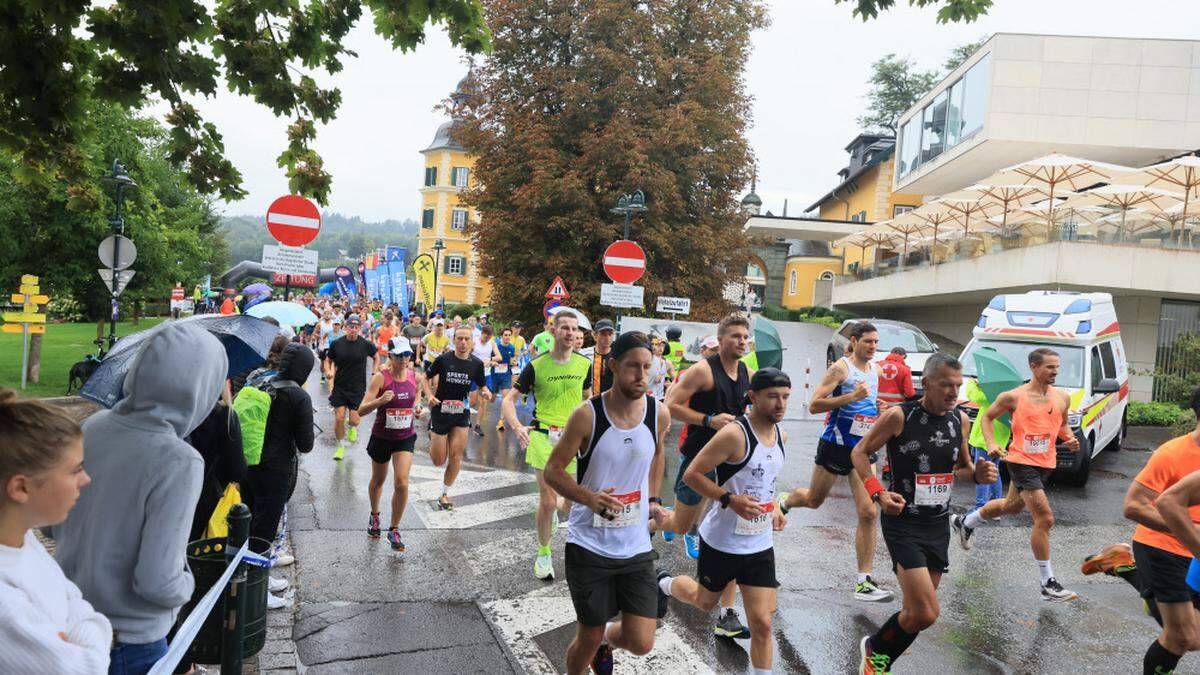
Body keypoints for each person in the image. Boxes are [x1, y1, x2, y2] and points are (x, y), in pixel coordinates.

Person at [55, 322, 226, 674]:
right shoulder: (178, 460)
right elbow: (157, 581)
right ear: (202, 388)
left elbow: (54, 523)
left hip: (71, 620)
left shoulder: (94, 426)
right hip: (131, 641)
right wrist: (189, 584)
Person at [853, 353, 997, 674]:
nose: (953, 392)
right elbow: (860, 452)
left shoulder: (959, 419)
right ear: (926, 383)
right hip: (903, 521)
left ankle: (878, 655)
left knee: (916, 614)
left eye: (958, 386)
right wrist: (878, 493)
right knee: (928, 612)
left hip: (937, 524)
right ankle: (876, 647)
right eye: (946, 385)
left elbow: (961, 468)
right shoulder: (898, 416)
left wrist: (978, 474)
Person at [544, 332, 670, 675]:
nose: (641, 376)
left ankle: (606, 643)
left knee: (642, 641)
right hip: (590, 544)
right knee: (589, 634)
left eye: (647, 367)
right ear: (613, 365)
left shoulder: (659, 413)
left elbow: (657, 454)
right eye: (633, 367)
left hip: (635, 545)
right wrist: (589, 498)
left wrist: (654, 500)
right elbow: (553, 472)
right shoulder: (587, 416)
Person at [658, 368, 793, 675]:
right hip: (722, 541)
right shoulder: (734, 434)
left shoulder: (781, 436)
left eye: (785, 397)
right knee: (705, 602)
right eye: (772, 397)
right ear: (753, 397)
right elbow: (692, 475)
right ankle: (663, 583)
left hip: (759, 544)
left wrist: (774, 508)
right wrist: (729, 499)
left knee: (761, 622)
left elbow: (766, 480)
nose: (780, 404)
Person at [776, 321, 893, 602]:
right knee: (815, 500)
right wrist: (851, 396)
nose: (873, 347)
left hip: (863, 449)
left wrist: (881, 409)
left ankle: (864, 581)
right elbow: (815, 404)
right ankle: (786, 501)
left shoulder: (876, 371)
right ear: (854, 341)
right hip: (836, 444)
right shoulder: (840, 368)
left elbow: (869, 404)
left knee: (868, 512)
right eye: (868, 342)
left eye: (877, 342)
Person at [951, 347, 1081, 601]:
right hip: (1021, 461)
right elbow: (987, 418)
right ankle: (1047, 582)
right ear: (1033, 367)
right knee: (1045, 519)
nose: (1055, 372)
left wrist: (1070, 437)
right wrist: (990, 444)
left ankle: (964, 522)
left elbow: (1062, 423)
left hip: (1046, 462)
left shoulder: (1062, 397)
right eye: (1050, 367)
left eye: (1057, 367)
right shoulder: (1013, 397)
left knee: (1011, 507)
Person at [0, 390, 113, 674]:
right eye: (75, 470)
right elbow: (87, 668)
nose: (85, 479)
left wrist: (69, 632)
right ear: (21, 488)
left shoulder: (23, 538)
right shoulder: (5, 603)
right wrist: (86, 632)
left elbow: (73, 599)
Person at [660, 314, 754, 638]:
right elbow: (670, 405)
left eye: (745, 336)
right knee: (680, 524)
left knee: (732, 534)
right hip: (698, 463)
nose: (742, 341)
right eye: (735, 336)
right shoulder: (703, 370)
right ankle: (648, 523)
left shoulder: (746, 373)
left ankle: (727, 613)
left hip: (731, 465)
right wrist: (709, 420)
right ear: (721, 338)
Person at [503, 311, 593, 580]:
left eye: (574, 328)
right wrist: (518, 426)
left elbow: (588, 399)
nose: (570, 333)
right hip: (543, 436)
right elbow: (509, 400)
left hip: (574, 439)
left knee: (571, 502)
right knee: (548, 500)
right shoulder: (537, 365)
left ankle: (555, 517)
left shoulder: (583, 364)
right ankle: (544, 553)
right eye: (564, 327)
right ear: (553, 331)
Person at [244, 343, 314, 609]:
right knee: (264, 530)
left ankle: (262, 576)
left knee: (252, 524)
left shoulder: (263, 383)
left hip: (251, 462)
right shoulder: (298, 396)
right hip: (276, 470)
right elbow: (306, 444)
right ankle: (257, 592)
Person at [358, 340, 425, 554]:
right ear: (390, 356)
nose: (404, 359)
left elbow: (417, 398)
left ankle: (394, 529)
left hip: (405, 437)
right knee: (378, 480)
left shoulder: (416, 377)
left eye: (407, 355)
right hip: (382, 437)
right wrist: (379, 401)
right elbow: (360, 410)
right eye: (399, 355)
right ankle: (375, 515)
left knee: (402, 483)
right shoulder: (380, 378)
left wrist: (418, 408)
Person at [424, 326, 493, 510]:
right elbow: (424, 377)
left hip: (462, 413)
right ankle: (433, 434)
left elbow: (482, 385)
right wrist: (429, 395)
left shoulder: (476, 364)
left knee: (455, 455)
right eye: (460, 338)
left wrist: (486, 392)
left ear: (472, 342)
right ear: (454, 340)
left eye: (466, 339)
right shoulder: (443, 360)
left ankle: (444, 494)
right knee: (439, 460)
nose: (463, 343)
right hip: (440, 412)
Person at [325, 315, 377, 460]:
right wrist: (328, 371)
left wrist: (375, 371)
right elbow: (328, 360)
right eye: (350, 327)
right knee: (339, 417)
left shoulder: (365, 344)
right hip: (340, 386)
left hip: (357, 387)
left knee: (354, 420)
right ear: (345, 327)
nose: (353, 330)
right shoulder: (337, 344)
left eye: (356, 327)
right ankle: (340, 446)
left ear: (360, 329)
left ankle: (353, 427)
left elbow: (376, 356)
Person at [963, 376, 1007, 514]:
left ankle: (980, 507)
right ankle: (996, 506)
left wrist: (972, 383)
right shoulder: (1009, 398)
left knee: (982, 472)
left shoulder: (994, 396)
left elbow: (975, 396)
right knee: (994, 472)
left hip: (984, 441)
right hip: (999, 442)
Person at [470, 324, 502, 435]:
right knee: (472, 401)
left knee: (484, 401)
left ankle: (478, 425)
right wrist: (477, 361)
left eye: (489, 337)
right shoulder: (474, 341)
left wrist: (490, 359)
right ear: (482, 333)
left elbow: (499, 356)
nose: (486, 339)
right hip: (473, 374)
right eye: (485, 337)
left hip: (486, 375)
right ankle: (464, 418)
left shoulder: (492, 343)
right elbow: (465, 354)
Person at [492, 327, 518, 431]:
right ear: (501, 336)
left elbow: (511, 361)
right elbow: (490, 359)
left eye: (509, 335)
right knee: (491, 399)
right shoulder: (496, 346)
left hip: (505, 375)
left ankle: (501, 421)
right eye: (505, 335)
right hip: (494, 375)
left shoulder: (511, 347)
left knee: (506, 398)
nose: (507, 337)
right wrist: (493, 363)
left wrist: (515, 363)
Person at [589, 319, 616, 396]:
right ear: (594, 335)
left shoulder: (618, 357)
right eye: (603, 334)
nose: (607, 338)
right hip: (589, 403)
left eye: (610, 334)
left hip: (611, 403)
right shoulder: (585, 355)